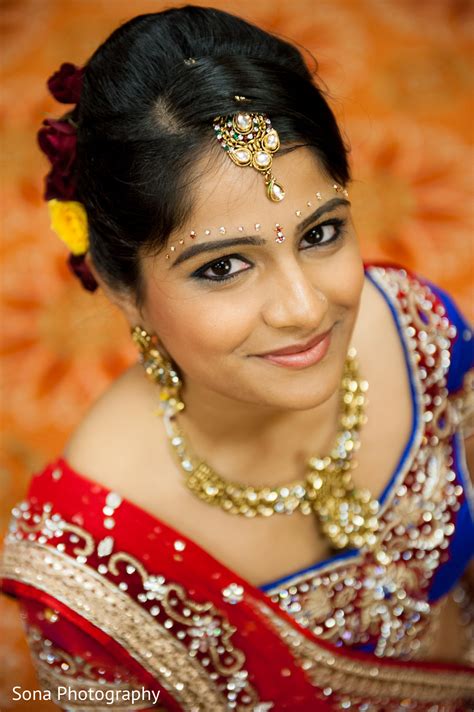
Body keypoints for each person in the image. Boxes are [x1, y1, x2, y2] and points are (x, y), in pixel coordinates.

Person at [1, 6, 473, 710]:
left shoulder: (415, 328)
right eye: (222, 268)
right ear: (121, 287)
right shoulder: (90, 567)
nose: (305, 308)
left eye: (321, 233)